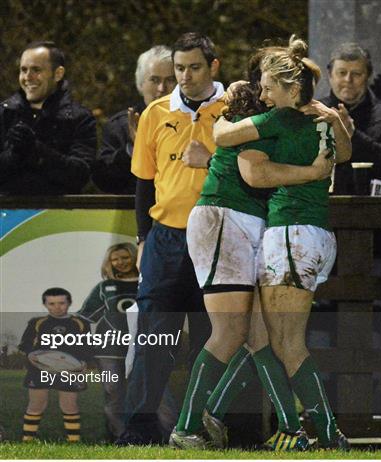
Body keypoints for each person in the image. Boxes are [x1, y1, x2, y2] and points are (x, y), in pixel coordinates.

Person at [168, 45, 339, 449]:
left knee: (259, 335)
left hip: (249, 223)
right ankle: (187, 427)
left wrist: (331, 122)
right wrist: (313, 170)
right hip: (225, 217)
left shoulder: (290, 112)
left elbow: (226, 138)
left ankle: (285, 429)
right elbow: (250, 168)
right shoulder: (257, 105)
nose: (264, 91)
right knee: (231, 330)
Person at [211, 38, 352, 450]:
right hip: (317, 235)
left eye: (269, 85)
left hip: (290, 232)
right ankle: (217, 414)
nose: (262, 92)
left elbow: (223, 138)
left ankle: (325, 434)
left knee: (286, 343)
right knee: (271, 337)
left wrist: (220, 116)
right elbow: (343, 153)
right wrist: (335, 120)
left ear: (292, 90)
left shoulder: (277, 119)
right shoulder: (321, 117)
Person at [116, 32, 221, 445]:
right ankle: (138, 431)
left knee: (211, 338)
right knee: (153, 338)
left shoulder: (236, 109)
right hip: (165, 240)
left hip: (217, 236)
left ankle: (204, 429)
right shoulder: (155, 114)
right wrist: (143, 238)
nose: (185, 76)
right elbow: (143, 184)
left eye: (194, 67)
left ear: (213, 66)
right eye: (180, 68)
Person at [77, 243, 177, 440]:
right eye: (115, 259)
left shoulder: (149, 282)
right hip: (110, 350)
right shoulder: (104, 288)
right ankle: (124, 437)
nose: (120, 262)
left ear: (135, 257)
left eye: (124, 257)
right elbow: (84, 317)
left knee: (158, 390)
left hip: (145, 347)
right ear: (109, 263)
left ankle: (173, 436)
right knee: (113, 393)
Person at [0, 41, 96, 195]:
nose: (27, 77)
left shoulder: (79, 118)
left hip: (59, 217)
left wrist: (36, 150)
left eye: (36, 70)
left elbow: (80, 175)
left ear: (58, 74)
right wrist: (13, 155)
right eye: (23, 70)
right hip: (8, 217)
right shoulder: (4, 114)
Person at [320, 42, 381, 194]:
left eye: (356, 74)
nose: (348, 80)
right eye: (342, 73)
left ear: (368, 76)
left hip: (375, 208)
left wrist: (353, 136)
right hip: (321, 207)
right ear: (330, 76)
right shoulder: (315, 113)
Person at [92, 46, 177, 194]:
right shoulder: (119, 126)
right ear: (141, 84)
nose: (162, 88)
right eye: (154, 80)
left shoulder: (194, 121)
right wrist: (133, 149)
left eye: (170, 80)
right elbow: (103, 181)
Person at [18, 288, 92, 442]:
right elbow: (25, 345)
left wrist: (84, 362)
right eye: (51, 303)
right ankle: (28, 440)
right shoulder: (36, 322)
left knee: (69, 405)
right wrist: (31, 355)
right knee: (37, 403)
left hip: (69, 369)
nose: (57, 307)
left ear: (69, 303)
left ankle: (73, 441)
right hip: (39, 368)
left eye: (61, 303)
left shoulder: (80, 323)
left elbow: (87, 346)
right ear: (45, 304)